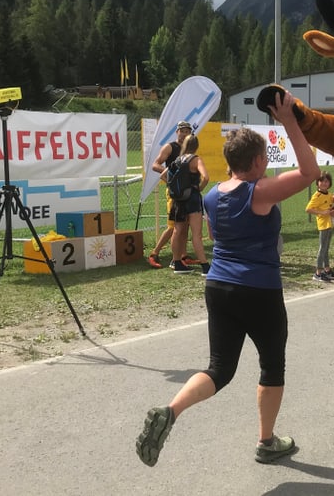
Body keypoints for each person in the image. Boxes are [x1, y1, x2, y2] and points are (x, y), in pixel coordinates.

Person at [136, 90, 319, 467]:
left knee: (219, 368)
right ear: (256, 161)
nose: (267, 164)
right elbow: (311, 173)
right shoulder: (260, 191)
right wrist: (289, 124)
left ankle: (171, 411)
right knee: (272, 366)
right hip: (260, 290)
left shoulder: (213, 196)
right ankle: (267, 441)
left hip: (218, 286)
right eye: (265, 158)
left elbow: (220, 238)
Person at [147, 120, 194, 269]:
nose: (185, 133)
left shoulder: (188, 150)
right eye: (182, 131)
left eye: (187, 131)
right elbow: (155, 165)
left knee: (185, 224)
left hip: (185, 191)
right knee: (173, 226)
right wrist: (170, 174)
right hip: (174, 191)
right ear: (177, 132)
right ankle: (154, 253)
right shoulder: (170, 147)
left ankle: (183, 255)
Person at [161, 135, 210, 274]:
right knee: (196, 234)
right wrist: (199, 188)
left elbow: (163, 175)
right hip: (192, 199)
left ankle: (177, 263)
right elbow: (206, 177)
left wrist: (173, 187)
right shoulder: (196, 160)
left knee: (177, 231)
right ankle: (205, 266)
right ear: (196, 146)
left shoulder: (177, 160)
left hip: (178, 200)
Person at [305, 171, 334, 281]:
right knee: (322, 249)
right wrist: (322, 213)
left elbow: (330, 201)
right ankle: (318, 272)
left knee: (326, 248)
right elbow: (308, 209)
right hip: (323, 225)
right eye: (322, 181)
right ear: (317, 183)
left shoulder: (328, 194)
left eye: (326, 181)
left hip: (329, 224)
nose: (324, 183)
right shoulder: (317, 196)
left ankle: (327, 269)